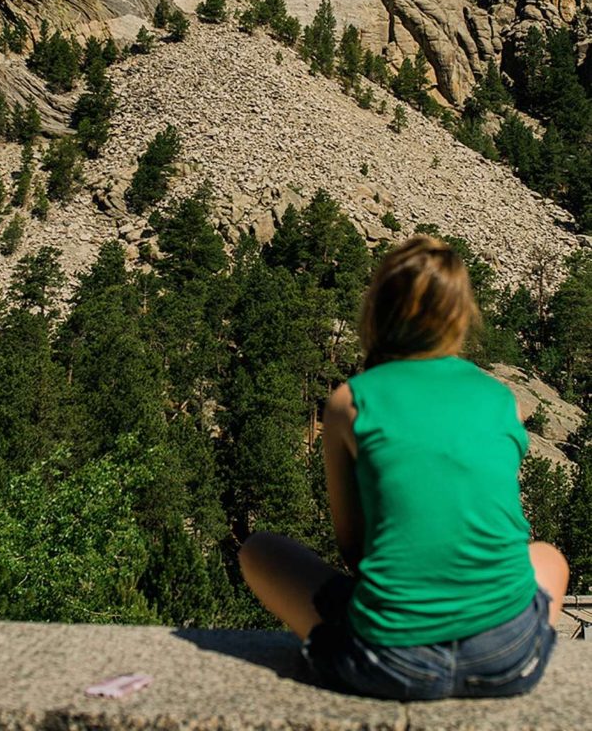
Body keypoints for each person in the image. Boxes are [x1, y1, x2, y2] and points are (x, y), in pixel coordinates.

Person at [239, 235, 568, 700]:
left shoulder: (350, 401)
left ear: (377, 310)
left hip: (391, 662)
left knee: (260, 551)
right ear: (460, 315)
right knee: (549, 557)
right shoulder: (502, 400)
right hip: (507, 660)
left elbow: (354, 547)